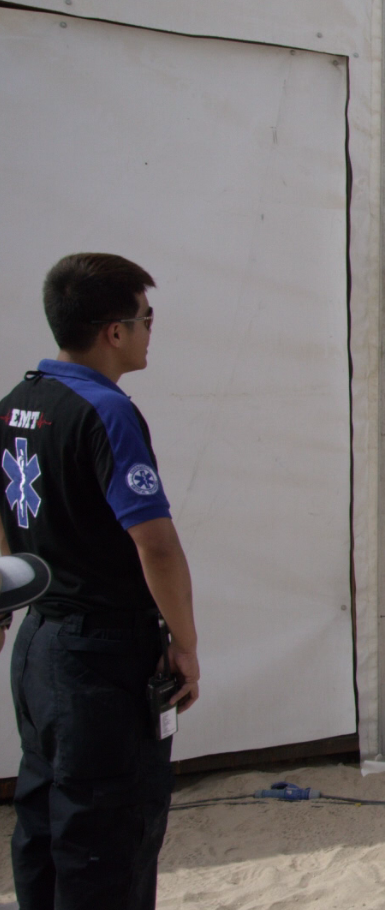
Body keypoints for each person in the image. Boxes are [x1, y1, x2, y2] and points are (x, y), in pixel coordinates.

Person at [0, 253, 199, 910]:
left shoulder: (18, 403)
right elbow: (157, 547)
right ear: (114, 331)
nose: (150, 332)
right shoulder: (106, 410)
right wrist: (186, 648)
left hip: (39, 645)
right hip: (99, 654)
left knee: (45, 818)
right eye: (146, 319)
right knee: (108, 834)